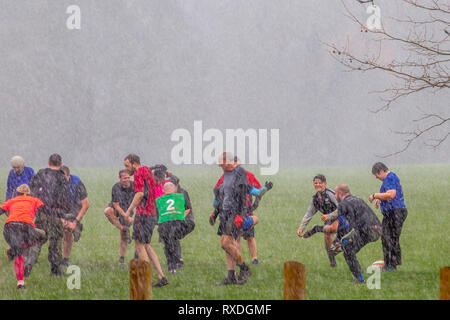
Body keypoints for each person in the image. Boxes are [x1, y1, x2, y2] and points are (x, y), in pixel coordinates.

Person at [213, 152, 271, 286]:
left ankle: (244, 269)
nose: (221, 163)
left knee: (227, 243)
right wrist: (215, 211)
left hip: (234, 214)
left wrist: (240, 214)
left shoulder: (239, 173)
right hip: (226, 214)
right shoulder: (225, 174)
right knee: (227, 245)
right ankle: (232, 276)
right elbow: (220, 196)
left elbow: (244, 195)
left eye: (223, 161)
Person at [123, 154, 168, 287]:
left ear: (134, 163)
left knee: (139, 246)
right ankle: (161, 276)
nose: (126, 169)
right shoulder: (147, 170)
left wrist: (129, 210)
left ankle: (146, 279)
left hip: (143, 214)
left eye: (127, 165)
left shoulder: (138, 173)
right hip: (152, 213)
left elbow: (140, 193)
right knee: (147, 246)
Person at [325, 184, 382, 284]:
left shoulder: (344, 204)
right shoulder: (357, 199)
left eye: (336, 193)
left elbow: (342, 218)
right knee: (347, 244)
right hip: (377, 229)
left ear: (340, 194)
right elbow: (352, 224)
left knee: (348, 249)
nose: (335, 196)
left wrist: (328, 218)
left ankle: (359, 279)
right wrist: (339, 239)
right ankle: (357, 270)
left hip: (366, 230)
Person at [27, 153, 71, 276]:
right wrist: (63, 213)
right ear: (61, 164)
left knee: (37, 239)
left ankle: (28, 264)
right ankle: (55, 270)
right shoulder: (62, 177)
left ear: (48, 162)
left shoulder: (41, 173)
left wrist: (37, 207)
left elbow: (32, 191)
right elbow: (65, 198)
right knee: (55, 241)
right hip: (55, 214)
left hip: (41, 212)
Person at [215, 157, 261, 265]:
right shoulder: (226, 176)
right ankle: (239, 259)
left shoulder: (247, 175)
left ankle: (254, 258)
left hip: (244, 210)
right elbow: (218, 190)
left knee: (248, 236)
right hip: (235, 212)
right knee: (237, 238)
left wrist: (254, 205)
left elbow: (257, 190)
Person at [0, 184, 46, 289]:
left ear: (17, 193)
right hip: (26, 228)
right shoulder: (34, 200)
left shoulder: (12, 201)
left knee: (18, 252)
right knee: (42, 235)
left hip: (9, 229)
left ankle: (20, 281)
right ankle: (20, 281)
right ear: (29, 193)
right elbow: (45, 210)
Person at [369, 162, 408, 272]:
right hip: (392, 213)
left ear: (381, 171)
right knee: (387, 238)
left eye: (377, 175)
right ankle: (390, 264)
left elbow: (391, 195)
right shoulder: (389, 179)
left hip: (396, 213)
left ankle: (391, 266)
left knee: (390, 238)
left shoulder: (390, 178)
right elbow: (388, 194)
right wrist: (380, 199)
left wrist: (375, 195)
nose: (377, 178)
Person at [297, 174, 342, 268]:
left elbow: (342, 208)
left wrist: (329, 216)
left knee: (329, 229)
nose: (317, 185)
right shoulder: (315, 199)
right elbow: (309, 214)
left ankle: (316, 229)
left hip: (341, 217)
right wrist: (301, 227)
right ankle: (333, 263)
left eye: (320, 183)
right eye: (315, 183)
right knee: (327, 243)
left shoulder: (330, 194)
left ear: (325, 184)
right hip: (328, 221)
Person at [156, 182, 190, 274]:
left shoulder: (159, 200)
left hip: (164, 224)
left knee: (167, 245)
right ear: (175, 189)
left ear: (163, 191)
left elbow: (158, 215)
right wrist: (180, 217)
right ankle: (176, 261)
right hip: (177, 223)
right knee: (174, 242)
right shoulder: (180, 197)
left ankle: (171, 265)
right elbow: (187, 209)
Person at [104, 169, 135, 264]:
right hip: (117, 208)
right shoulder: (116, 187)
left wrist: (131, 215)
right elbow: (116, 205)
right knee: (107, 211)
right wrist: (125, 215)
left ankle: (122, 258)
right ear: (120, 178)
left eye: (128, 178)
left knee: (123, 238)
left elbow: (139, 200)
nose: (127, 180)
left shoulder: (134, 185)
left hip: (128, 208)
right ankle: (123, 228)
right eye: (124, 178)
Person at [61, 166, 89, 267]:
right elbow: (50, 204)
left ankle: (65, 259)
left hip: (73, 209)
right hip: (59, 210)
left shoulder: (77, 183)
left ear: (69, 176)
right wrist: (61, 220)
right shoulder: (54, 182)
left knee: (67, 232)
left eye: (64, 179)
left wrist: (75, 222)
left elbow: (86, 205)